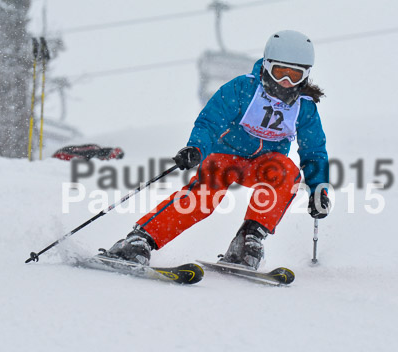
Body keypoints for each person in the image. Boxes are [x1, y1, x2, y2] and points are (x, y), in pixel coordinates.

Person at [105, 30, 330, 269]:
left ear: (306, 76)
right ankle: (140, 240)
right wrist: (196, 148)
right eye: (280, 73)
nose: (286, 82)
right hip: (224, 158)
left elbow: (314, 151)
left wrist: (319, 190)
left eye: (295, 75)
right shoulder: (242, 88)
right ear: (266, 66)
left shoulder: (304, 109)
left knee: (287, 172)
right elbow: (210, 122)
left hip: (264, 166)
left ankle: (248, 240)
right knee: (204, 198)